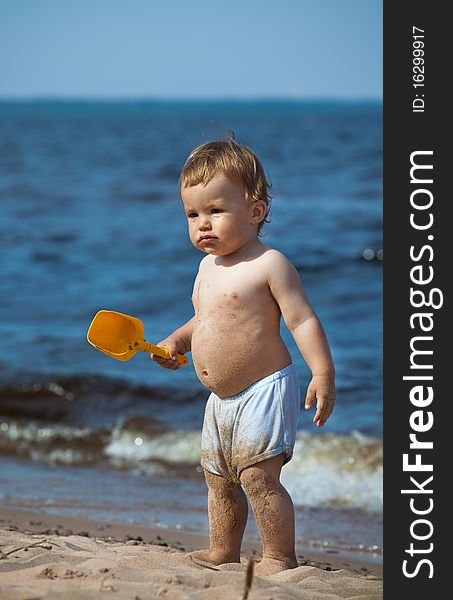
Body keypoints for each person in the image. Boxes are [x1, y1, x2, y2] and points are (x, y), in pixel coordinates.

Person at [151, 138, 336, 576]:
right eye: (192, 215)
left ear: (254, 211)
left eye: (215, 211)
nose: (203, 225)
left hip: (263, 388)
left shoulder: (270, 264)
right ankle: (223, 550)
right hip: (220, 397)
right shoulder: (206, 268)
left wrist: (322, 371)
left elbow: (302, 321)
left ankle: (278, 555)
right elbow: (206, 320)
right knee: (218, 478)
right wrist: (179, 340)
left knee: (258, 476)